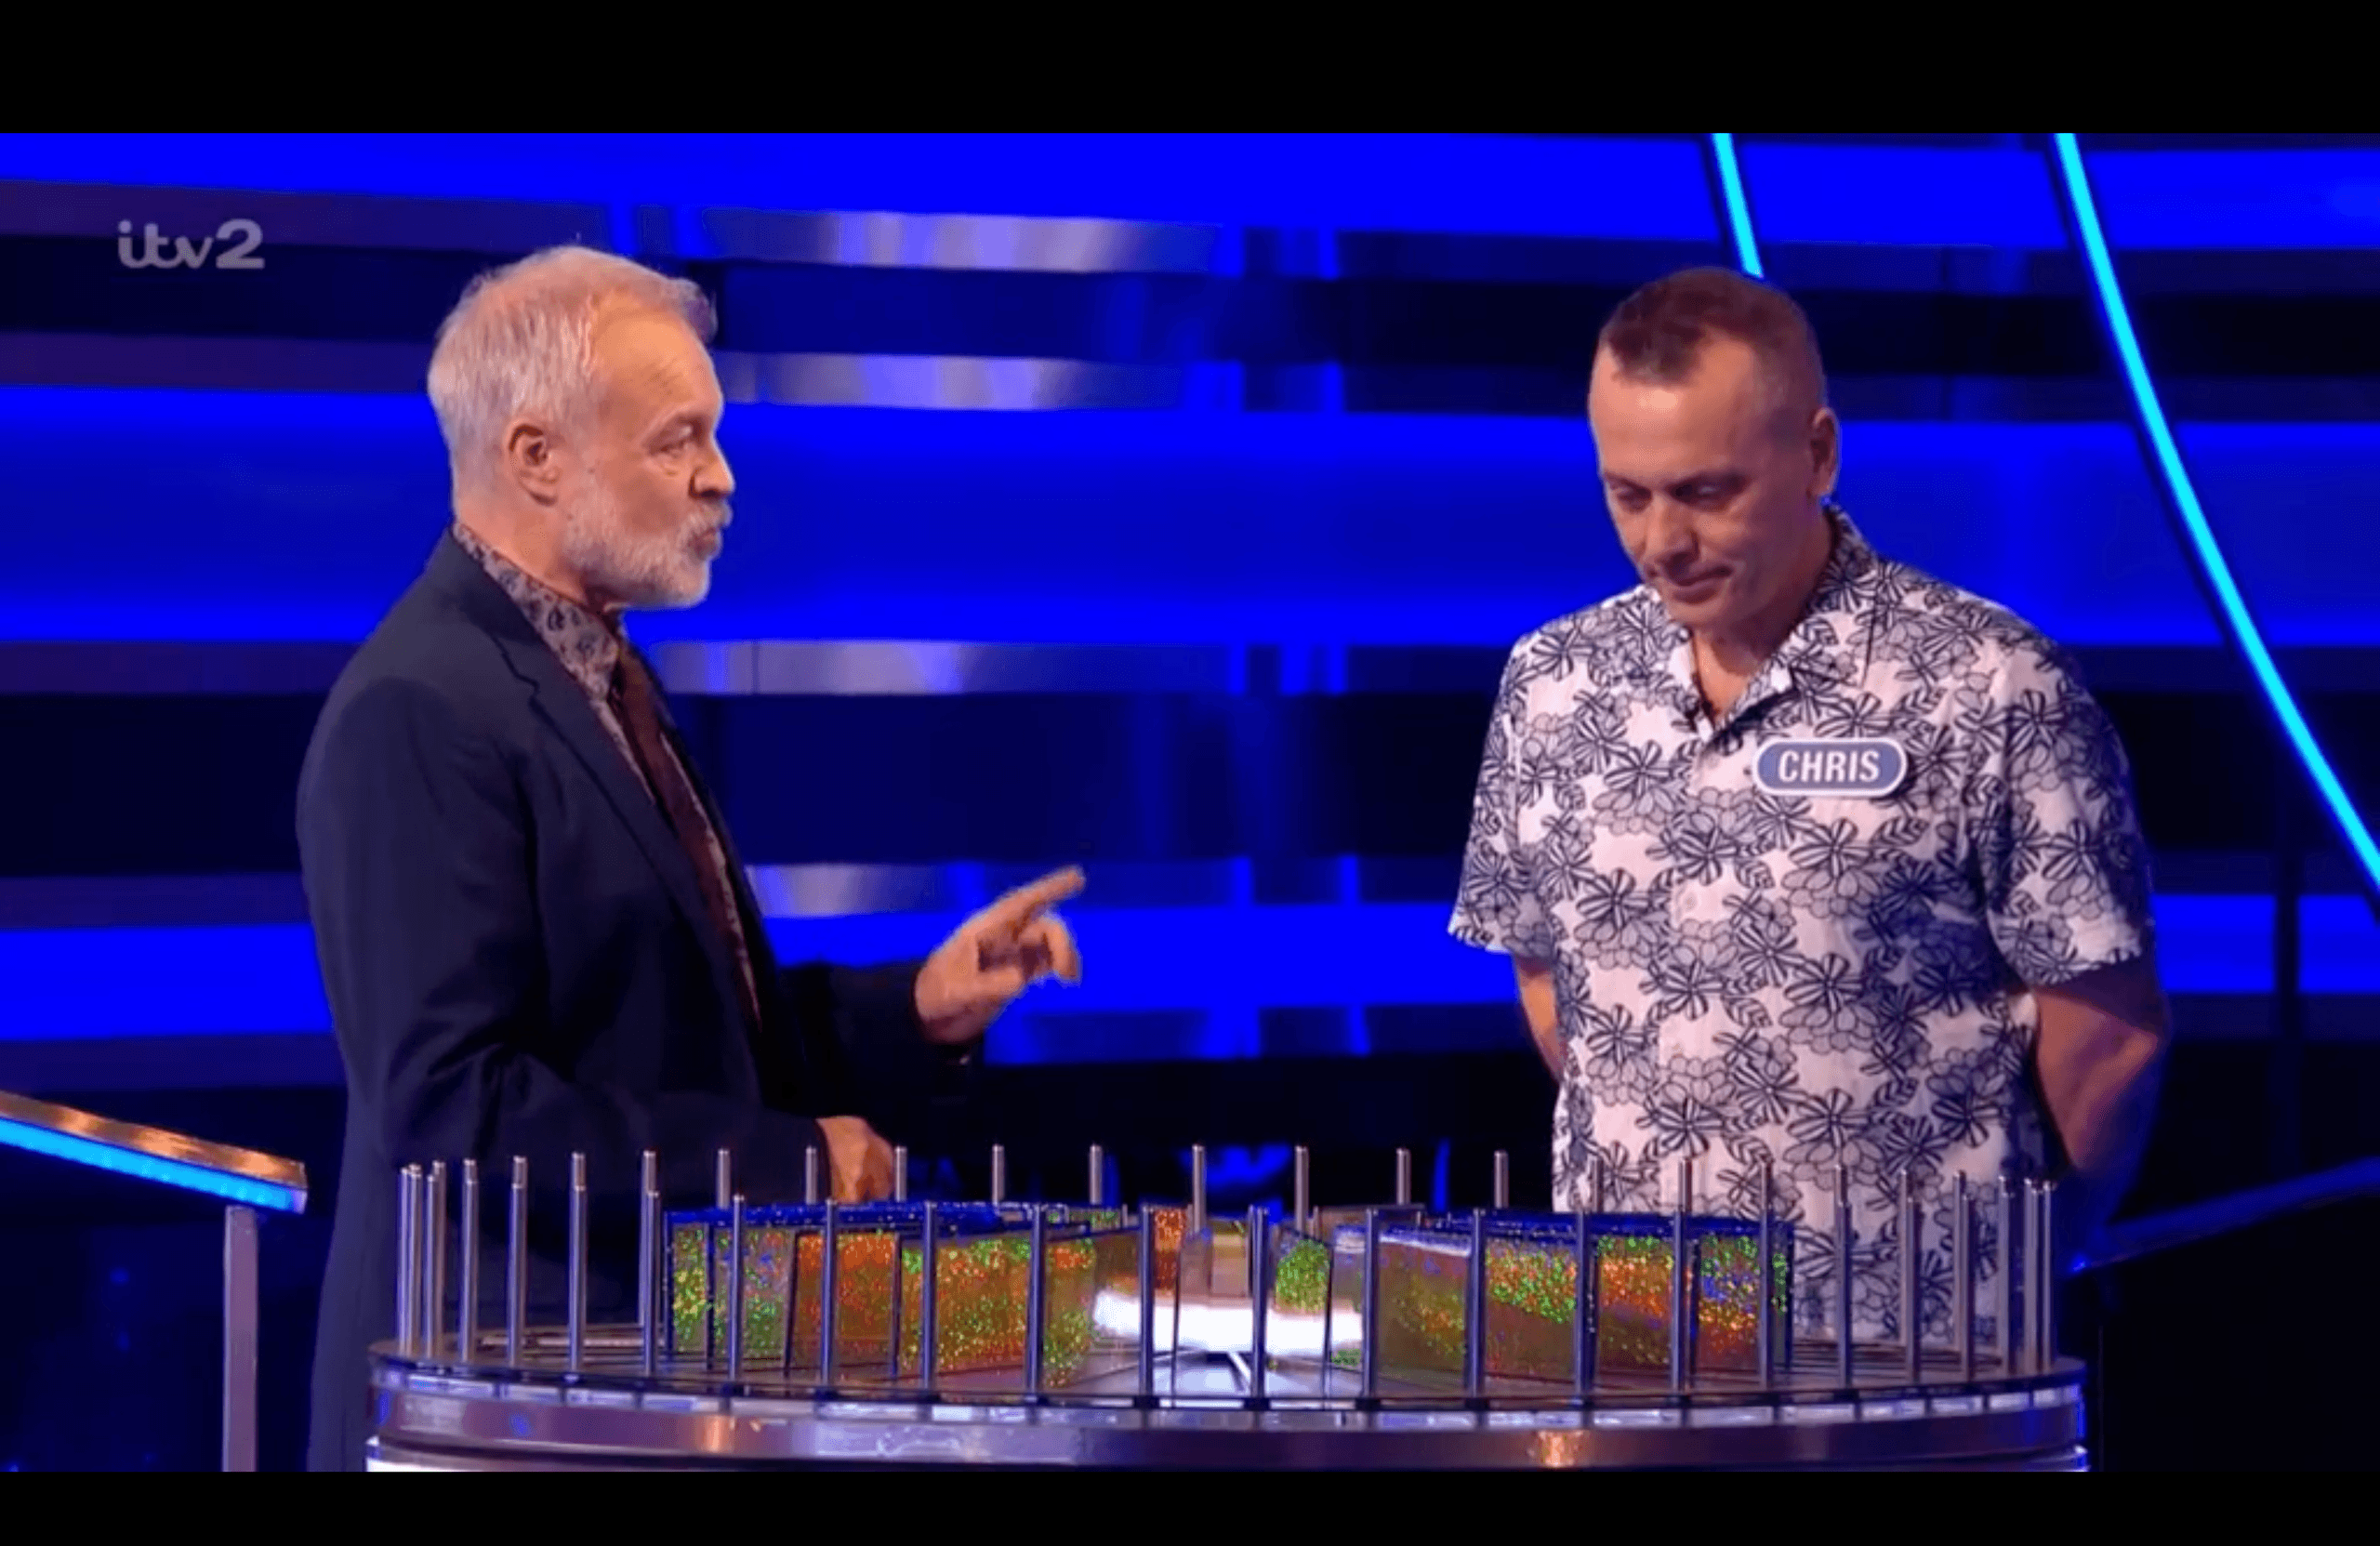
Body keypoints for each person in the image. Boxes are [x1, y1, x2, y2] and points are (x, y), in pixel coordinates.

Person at [298, 245, 1084, 1471]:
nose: (721, 476)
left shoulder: (601, 674)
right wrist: (786, 1161)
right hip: (507, 1400)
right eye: (680, 440)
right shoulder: (422, 706)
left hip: (637, 1381)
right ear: (537, 456)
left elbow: (681, 1024)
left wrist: (915, 1009)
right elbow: (454, 1110)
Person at [1448, 267, 2167, 1345]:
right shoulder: (1552, 682)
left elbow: (2106, 1037)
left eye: (1705, 492)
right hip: (1631, 1343)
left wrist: (2014, 1261)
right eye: (1627, 494)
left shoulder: (1987, 684)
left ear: (1818, 455)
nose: (1661, 542)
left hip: (1922, 1353)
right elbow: (1553, 983)